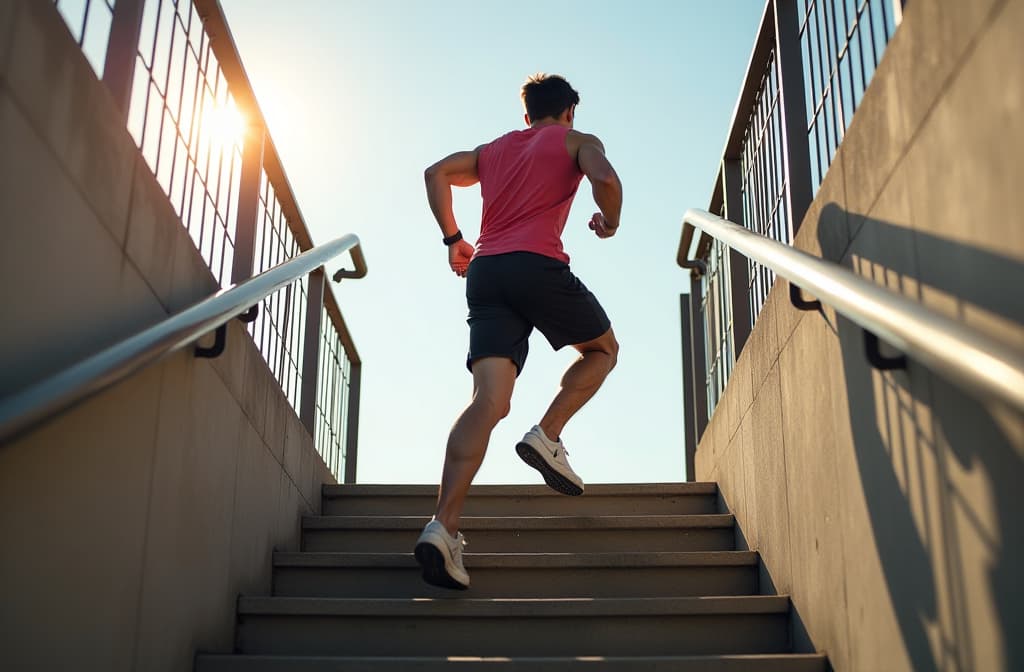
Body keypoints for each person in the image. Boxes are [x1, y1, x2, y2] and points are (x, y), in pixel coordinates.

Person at [414, 73, 622, 590]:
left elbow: (435, 173)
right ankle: (548, 435)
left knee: (487, 401)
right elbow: (608, 181)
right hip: (537, 265)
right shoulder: (578, 141)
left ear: (526, 116)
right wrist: (609, 221)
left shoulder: (494, 151)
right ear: (570, 110)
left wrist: (454, 240)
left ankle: (443, 527)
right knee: (603, 350)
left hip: (486, 272)